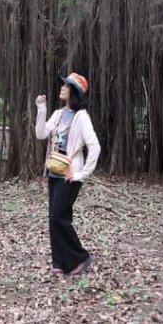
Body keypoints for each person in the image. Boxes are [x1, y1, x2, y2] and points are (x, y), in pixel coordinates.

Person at [35, 71, 100, 277]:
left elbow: (94, 146)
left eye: (66, 85)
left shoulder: (81, 117)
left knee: (58, 218)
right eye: (62, 84)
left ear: (74, 92)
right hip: (55, 172)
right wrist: (41, 109)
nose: (62, 87)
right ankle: (60, 263)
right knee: (55, 218)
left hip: (70, 175)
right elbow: (40, 134)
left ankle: (81, 257)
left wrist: (82, 174)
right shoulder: (58, 114)